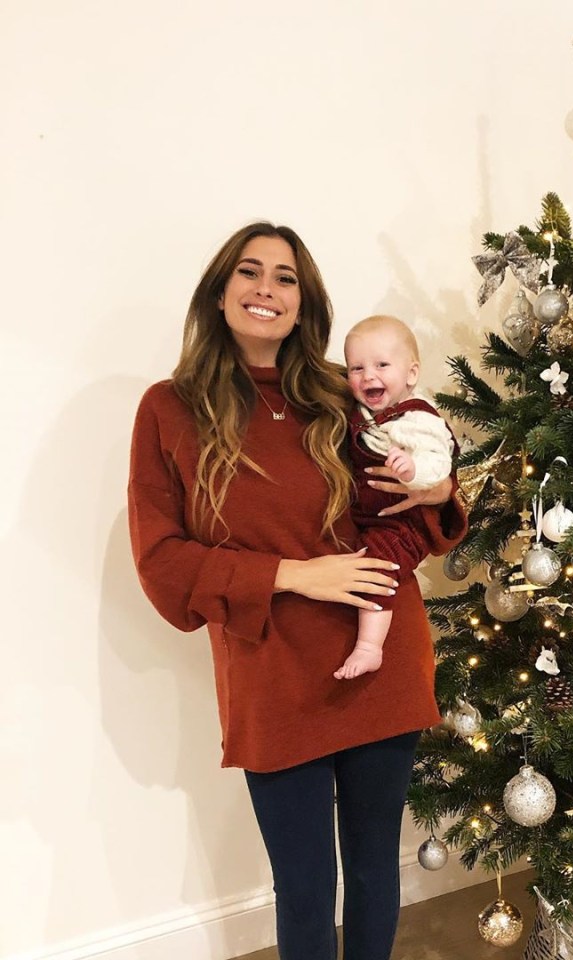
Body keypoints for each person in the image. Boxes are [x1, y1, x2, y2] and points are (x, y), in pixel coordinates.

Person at [127, 222, 466, 960]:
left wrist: (437, 486)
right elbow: (162, 562)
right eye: (250, 273)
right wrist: (295, 574)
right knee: (305, 885)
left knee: (377, 868)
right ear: (220, 294)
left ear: (304, 302)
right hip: (272, 673)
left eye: (286, 278)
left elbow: (424, 495)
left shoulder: (343, 394)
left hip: (381, 658)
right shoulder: (169, 408)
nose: (267, 289)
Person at [335, 315, 456, 680]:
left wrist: (412, 470)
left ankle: (370, 647)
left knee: (376, 568)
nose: (368, 376)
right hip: (370, 515)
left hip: (403, 522)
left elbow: (440, 462)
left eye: (382, 365)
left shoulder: (419, 420)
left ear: (411, 373)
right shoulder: (364, 413)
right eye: (357, 368)